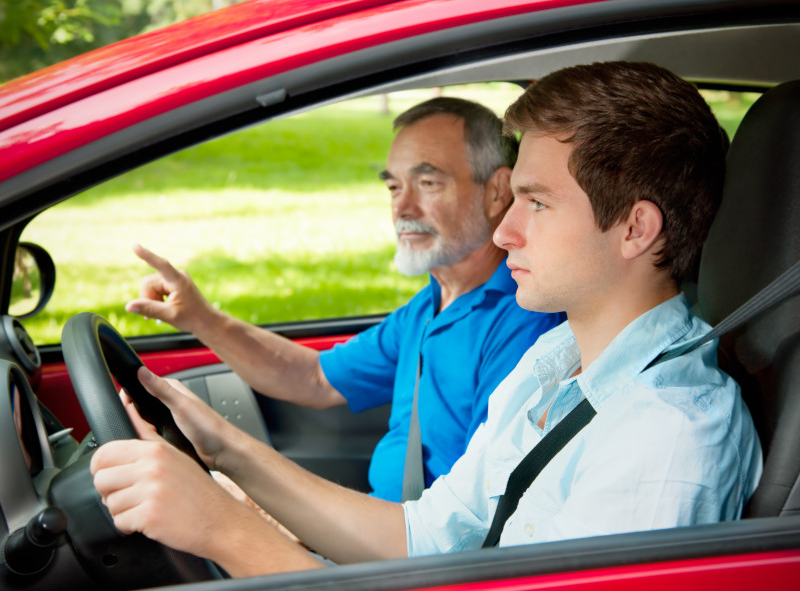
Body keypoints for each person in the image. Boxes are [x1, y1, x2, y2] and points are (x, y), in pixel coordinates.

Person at [91, 61, 762, 578]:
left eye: (537, 202)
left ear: (635, 228)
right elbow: (426, 537)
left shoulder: (665, 436)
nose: (507, 232)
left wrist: (225, 531)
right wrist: (223, 449)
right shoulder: (556, 365)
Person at [124, 97, 564, 501]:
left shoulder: (524, 319)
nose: (402, 208)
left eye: (427, 182)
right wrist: (202, 319)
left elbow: (472, 518)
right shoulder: (431, 305)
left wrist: (263, 508)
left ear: (496, 191)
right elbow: (314, 378)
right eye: (393, 187)